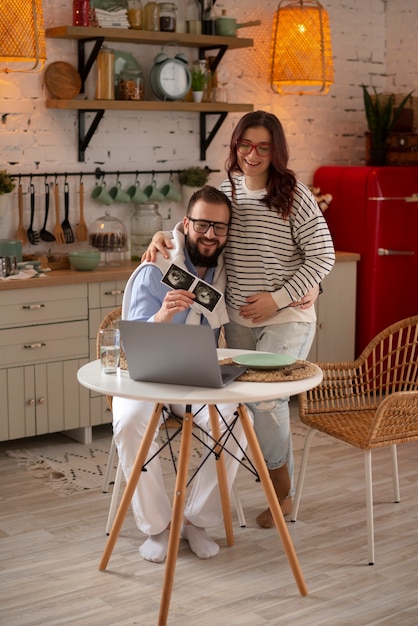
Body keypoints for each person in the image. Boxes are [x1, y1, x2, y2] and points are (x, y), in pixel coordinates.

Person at [144, 111, 335, 529]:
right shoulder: (227, 187)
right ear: (235, 146)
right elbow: (200, 228)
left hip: (287, 317)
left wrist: (279, 299)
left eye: (263, 146)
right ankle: (227, 499)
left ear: (276, 151)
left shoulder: (295, 195)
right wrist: (162, 236)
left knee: (265, 400)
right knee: (242, 406)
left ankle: (282, 493)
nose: (253, 154)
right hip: (236, 318)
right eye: (246, 144)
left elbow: (324, 255)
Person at [112, 185, 249, 564]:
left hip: (195, 378)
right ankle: (158, 527)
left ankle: (195, 521)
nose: (210, 235)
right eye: (202, 224)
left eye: (219, 228)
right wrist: (162, 316)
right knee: (129, 421)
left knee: (237, 418)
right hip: (145, 375)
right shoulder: (154, 268)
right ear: (185, 224)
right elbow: (129, 343)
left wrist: (311, 287)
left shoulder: (224, 271)